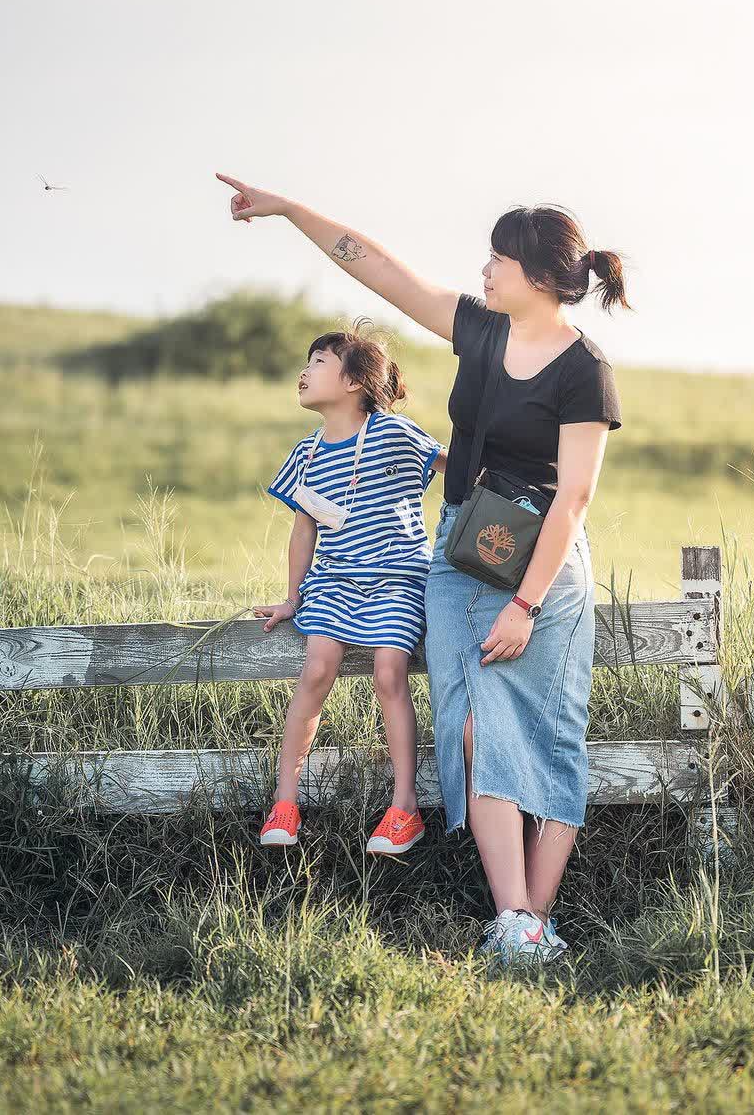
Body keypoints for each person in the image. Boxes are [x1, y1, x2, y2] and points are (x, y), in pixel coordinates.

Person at [217, 171, 629, 970]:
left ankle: (527, 920)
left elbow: (573, 497)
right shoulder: (477, 331)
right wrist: (292, 209)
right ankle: (517, 922)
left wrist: (528, 607)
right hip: (457, 557)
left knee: (544, 736)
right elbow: (378, 268)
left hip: (539, 566)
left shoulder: (586, 370)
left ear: (539, 275)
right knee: (474, 734)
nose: (483, 273)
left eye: (497, 261)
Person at [253, 320, 447, 857]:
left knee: (390, 670)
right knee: (316, 667)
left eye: (318, 362)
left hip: (397, 577)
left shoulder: (392, 433)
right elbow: (303, 529)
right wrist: (293, 597)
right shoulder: (307, 453)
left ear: (355, 382)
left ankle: (404, 807)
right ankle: (285, 801)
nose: (304, 370)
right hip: (334, 582)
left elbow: (456, 467)